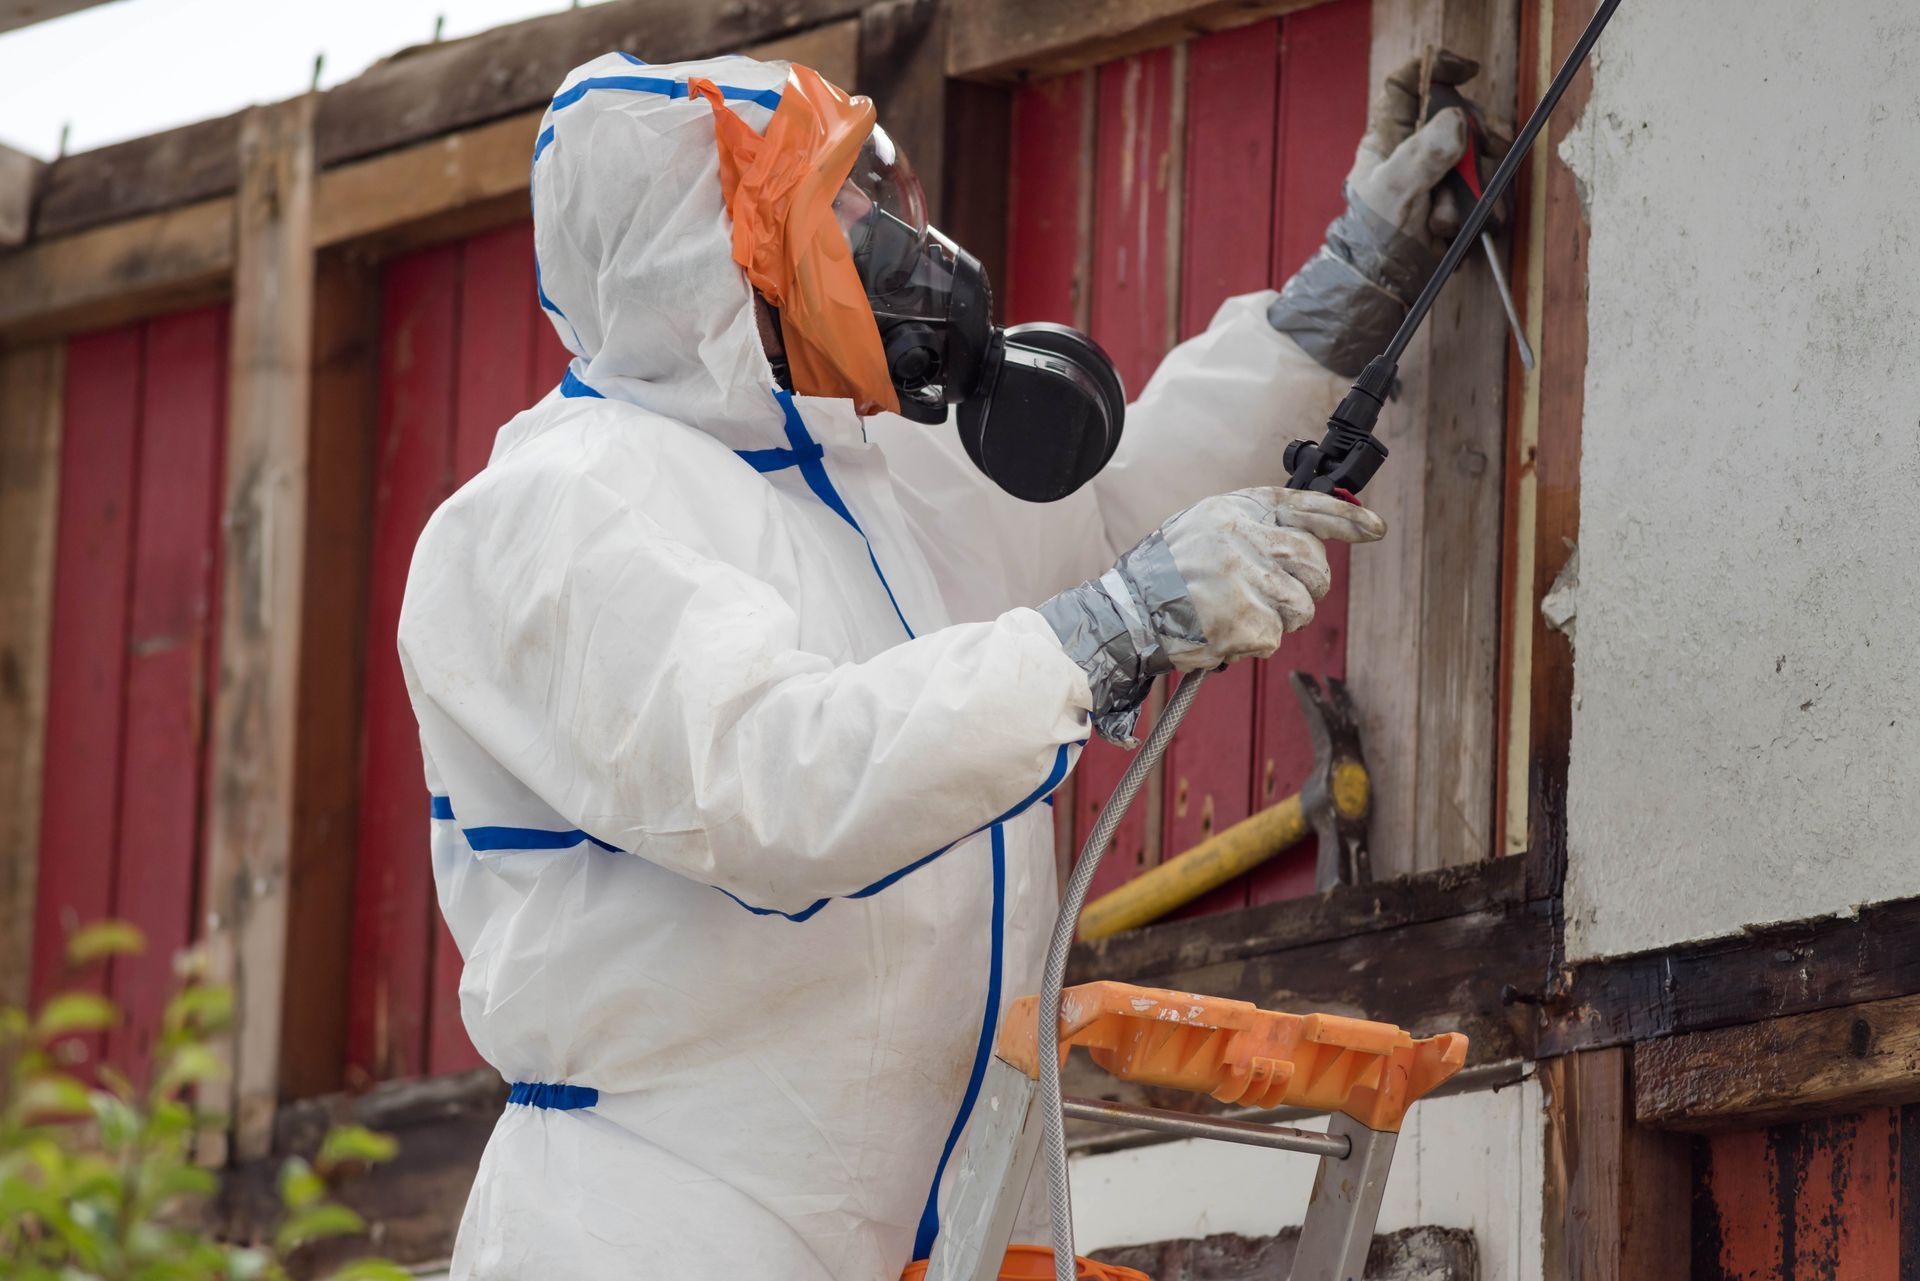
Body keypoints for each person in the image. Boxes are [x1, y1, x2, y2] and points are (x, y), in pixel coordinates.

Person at [398, 47, 1492, 1281]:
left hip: (944, 1224)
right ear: (700, 253)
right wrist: (1112, 626)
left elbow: (1125, 508)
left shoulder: (875, 470)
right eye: (842, 210)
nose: (898, 241)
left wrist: (1356, 281)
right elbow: (773, 782)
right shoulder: (555, 511)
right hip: (661, 1230)